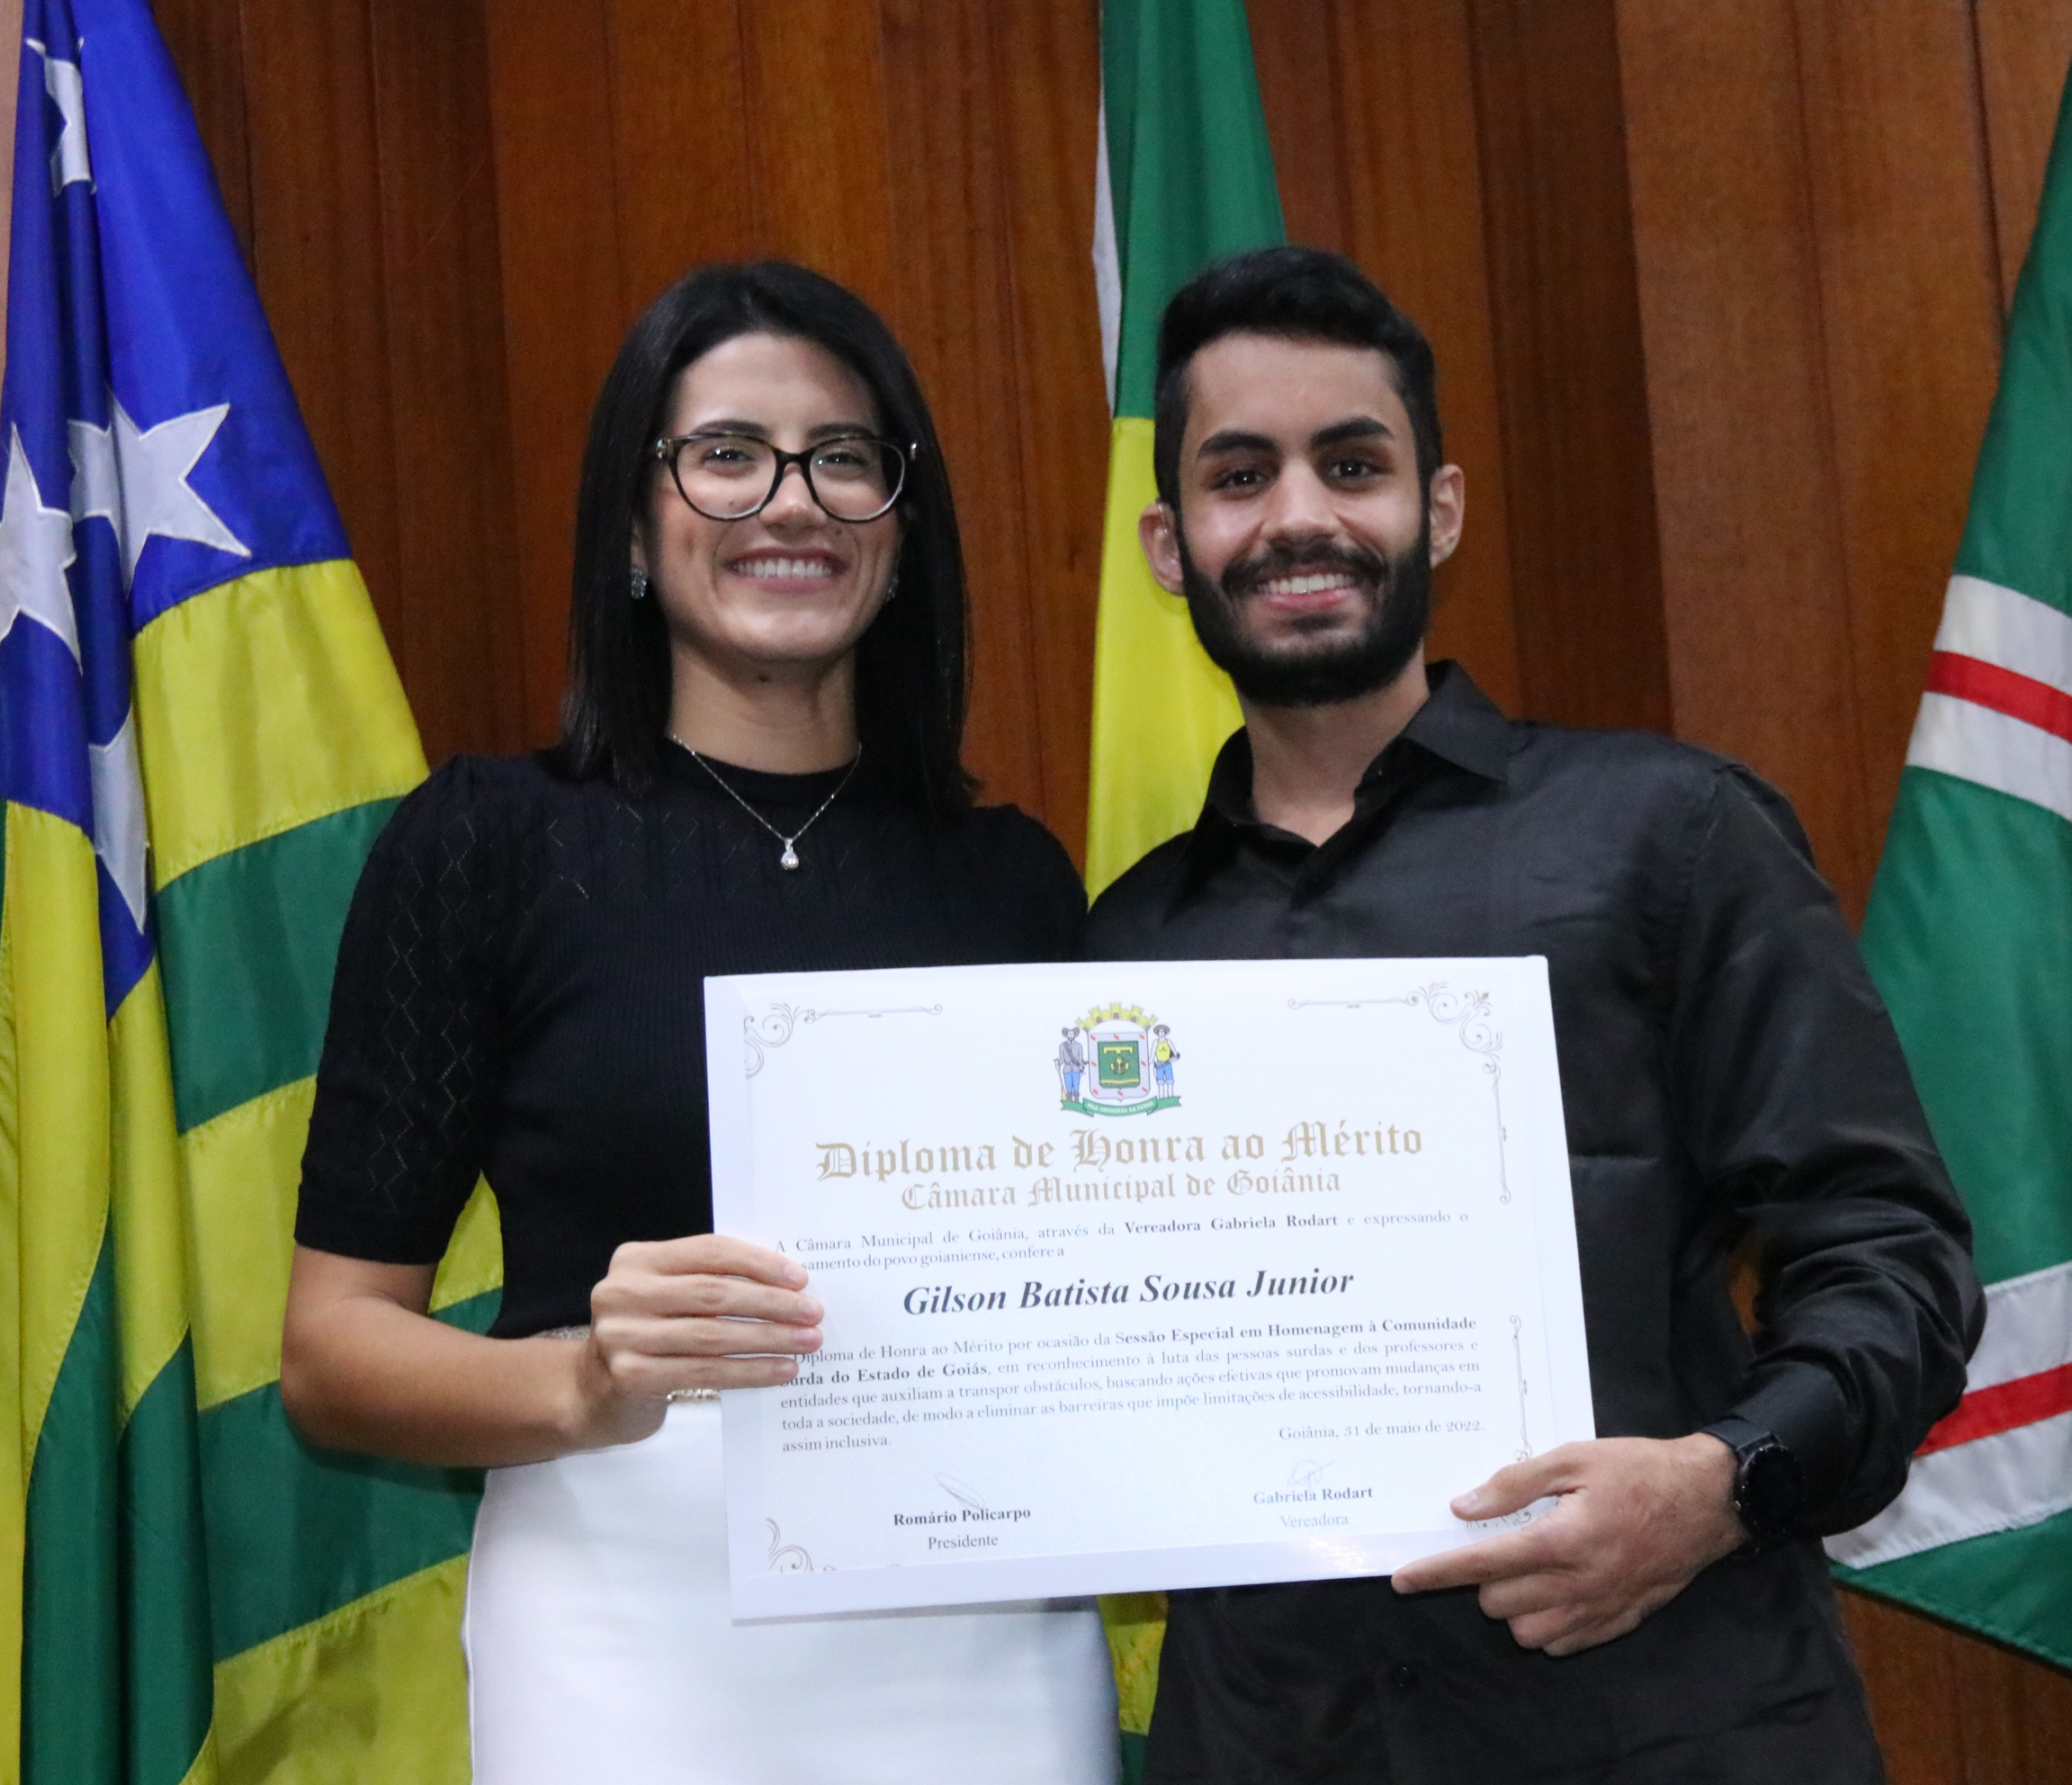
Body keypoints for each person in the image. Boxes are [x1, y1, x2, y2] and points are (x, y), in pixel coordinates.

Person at [1088, 245, 1985, 1782]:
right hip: (1270, 1745)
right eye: (1241, 475)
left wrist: (1720, 1485)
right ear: (1171, 546)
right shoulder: (1117, 954)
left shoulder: (1669, 834)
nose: (1298, 516)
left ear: (1437, 509)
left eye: (1351, 465)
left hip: (1666, 1728)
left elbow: (1890, 1253)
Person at [281, 262, 1117, 1784]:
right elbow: (332, 1355)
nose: (791, 502)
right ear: (632, 523)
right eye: (726, 455)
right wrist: (585, 1383)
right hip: (622, 1620)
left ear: (902, 530)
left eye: (843, 457)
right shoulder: (488, 842)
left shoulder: (1014, 878)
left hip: (981, 1617)